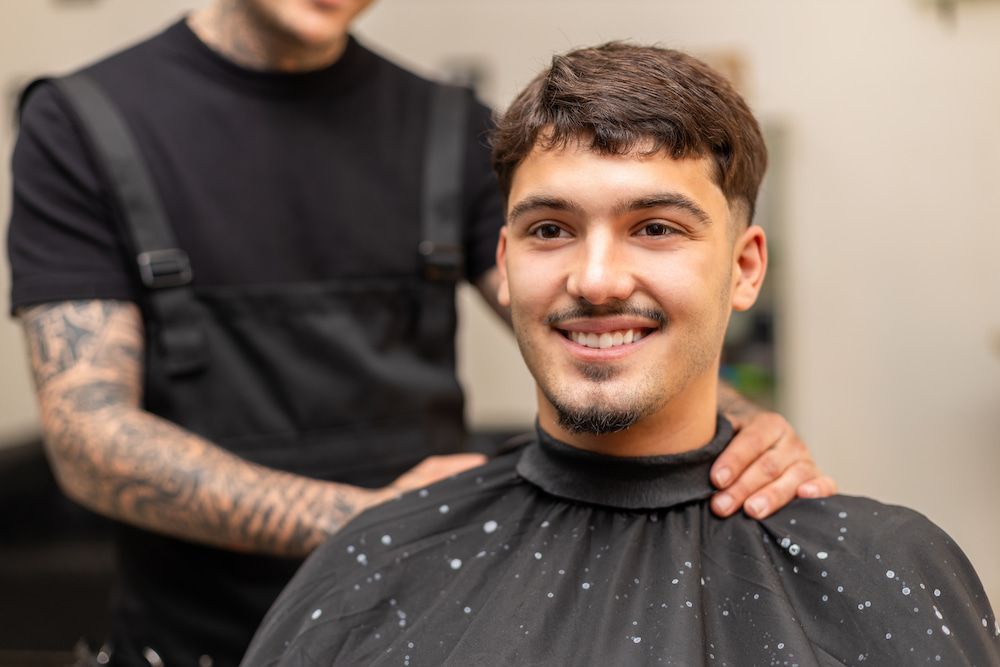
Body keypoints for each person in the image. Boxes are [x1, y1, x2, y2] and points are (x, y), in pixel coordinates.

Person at [7, 2, 831, 665]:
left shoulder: (447, 126)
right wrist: (376, 524)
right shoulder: (85, 124)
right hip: (200, 636)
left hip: (422, 625)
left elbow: (594, 312)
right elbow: (89, 436)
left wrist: (742, 432)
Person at [240, 42, 1000, 666]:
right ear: (503, 266)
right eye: (550, 229)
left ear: (744, 268)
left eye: (656, 227)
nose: (596, 279)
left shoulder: (889, 568)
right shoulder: (375, 560)